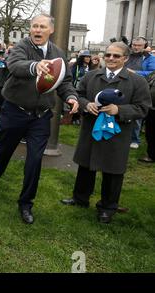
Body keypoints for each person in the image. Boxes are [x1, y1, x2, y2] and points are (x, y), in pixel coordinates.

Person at [0, 14, 79, 224]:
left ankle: (26, 203)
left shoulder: (59, 54)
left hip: (40, 116)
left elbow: (65, 81)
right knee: (4, 150)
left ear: (50, 30)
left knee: (35, 160)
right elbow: (14, 65)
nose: (37, 30)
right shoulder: (22, 46)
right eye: (34, 26)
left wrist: (71, 97)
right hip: (15, 111)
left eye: (42, 27)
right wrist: (35, 67)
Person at [60, 42, 151, 224]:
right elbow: (78, 95)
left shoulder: (137, 81)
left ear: (125, 58)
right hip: (91, 129)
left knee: (113, 170)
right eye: (108, 55)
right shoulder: (92, 76)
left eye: (116, 56)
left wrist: (119, 110)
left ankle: (107, 207)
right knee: (86, 166)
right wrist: (86, 105)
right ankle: (80, 198)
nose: (110, 58)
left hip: (117, 134)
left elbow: (143, 108)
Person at [125, 37, 155, 149]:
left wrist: (134, 72)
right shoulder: (127, 56)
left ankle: (134, 139)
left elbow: (152, 72)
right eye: (134, 45)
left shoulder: (150, 58)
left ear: (145, 46)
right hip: (125, 86)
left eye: (139, 45)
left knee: (137, 115)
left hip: (141, 88)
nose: (136, 47)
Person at [71, 49, 92, 125]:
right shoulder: (76, 66)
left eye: (89, 57)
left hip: (87, 88)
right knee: (76, 102)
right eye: (86, 57)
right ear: (82, 58)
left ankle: (82, 119)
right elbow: (72, 77)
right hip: (77, 87)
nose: (88, 58)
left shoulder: (90, 67)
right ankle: (74, 118)